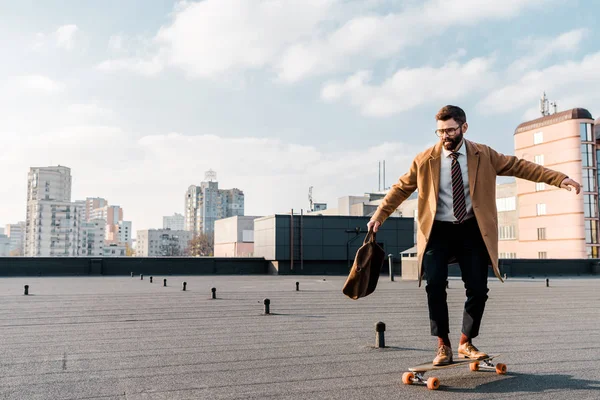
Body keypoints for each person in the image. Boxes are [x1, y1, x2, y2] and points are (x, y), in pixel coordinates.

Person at [367, 105, 581, 366]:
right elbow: (400, 189)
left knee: (478, 289)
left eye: (450, 130)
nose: (445, 136)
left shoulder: (484, 155)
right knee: (434, 286)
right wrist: (380, 215)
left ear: (464, 128)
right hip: (438, 231)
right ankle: (442, 345)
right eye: (440, 131)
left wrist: (560, 178)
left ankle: (466, 342)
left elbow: (520, 166)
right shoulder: (425, 160)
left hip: (472, 228)